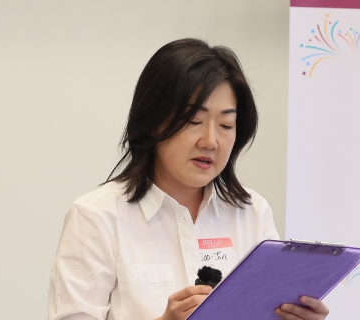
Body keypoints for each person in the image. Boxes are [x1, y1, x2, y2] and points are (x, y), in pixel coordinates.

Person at [47, 38, 329, 320]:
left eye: (226, 125)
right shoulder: (97, 217)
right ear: (153, 119)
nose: (211, 141)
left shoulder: (253, 212)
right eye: (194, 121)